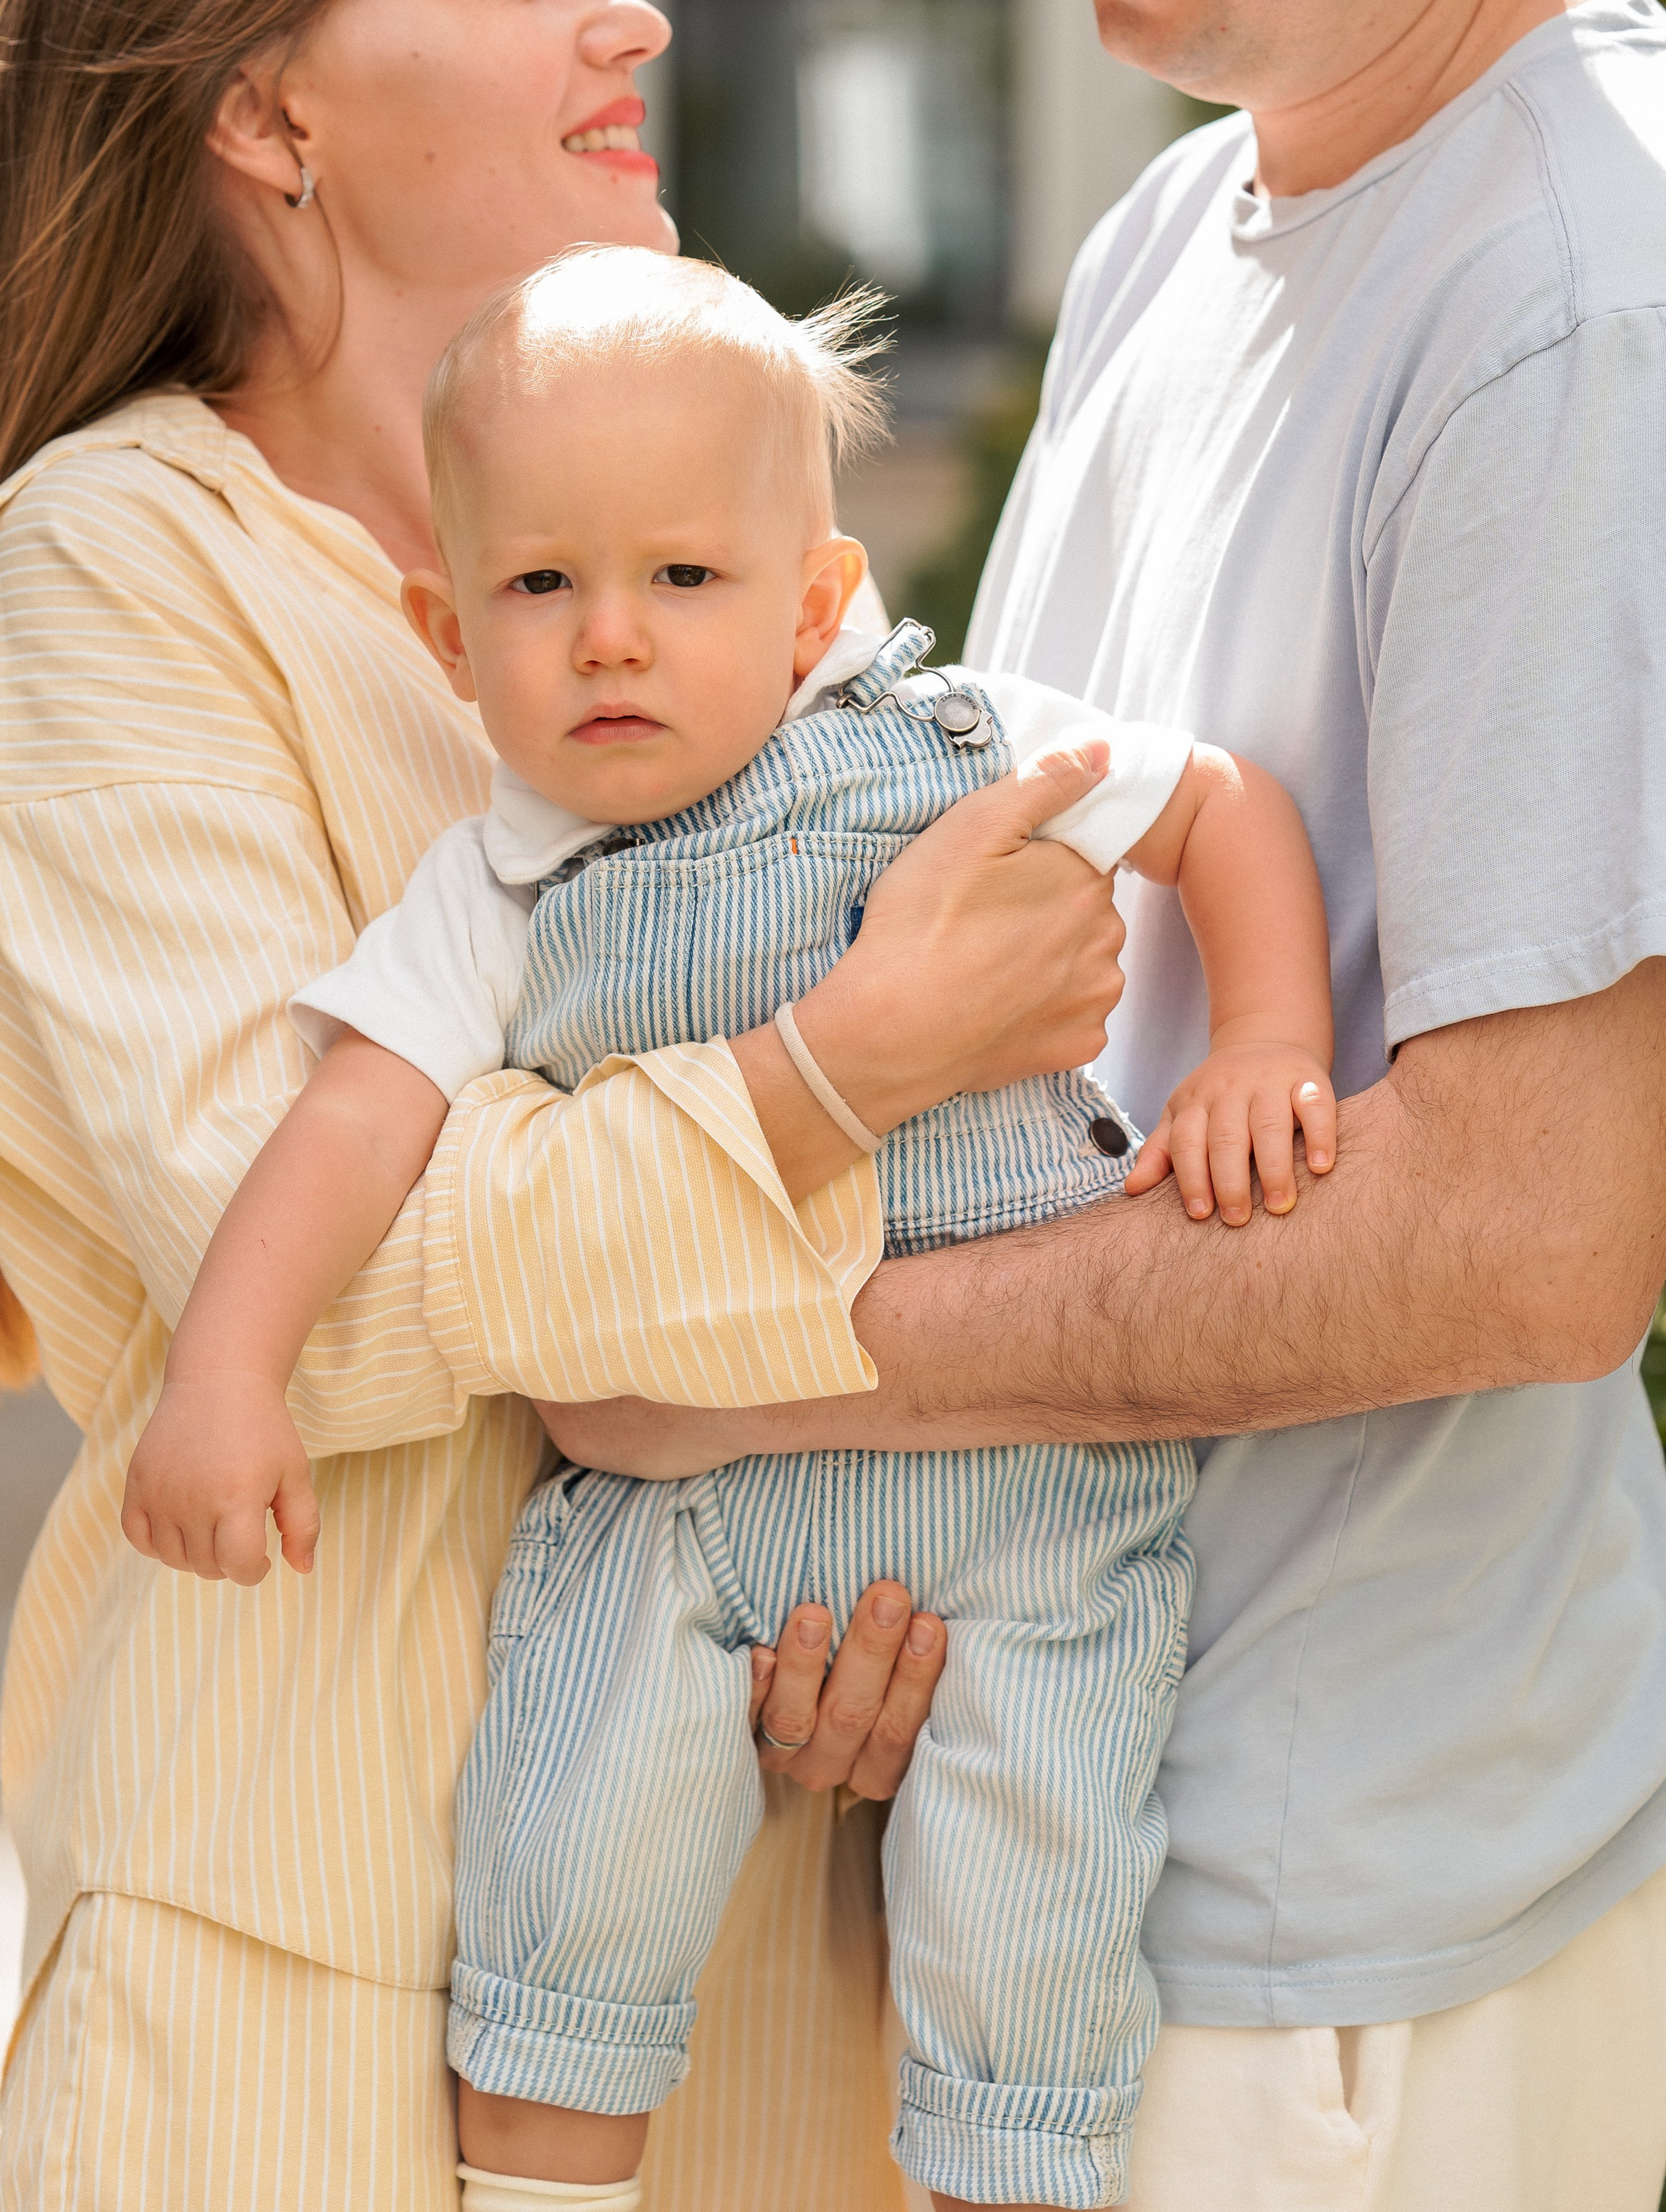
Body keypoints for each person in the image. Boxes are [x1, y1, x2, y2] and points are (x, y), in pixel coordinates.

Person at [0, 0, 1137, 2211]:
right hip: (293, 1984)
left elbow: (832, 1293)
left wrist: (855, 1587)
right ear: (269, 117)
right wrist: (832, 1068)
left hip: (725, 1965)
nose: (622, 8)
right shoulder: (115, 581)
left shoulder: (686, 596)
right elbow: (305, 1271)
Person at [543, 0, 1666, 2207]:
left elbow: (1539, 1232)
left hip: (1342, 1927)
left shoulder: (1581, 303)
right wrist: (863, 1544)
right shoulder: (1182, 236)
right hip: (1064, 1831)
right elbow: (1027, 967)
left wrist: (738, 1366)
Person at [119, 244, 1338, 2211]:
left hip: (1032, 1495)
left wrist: (1265, 1036)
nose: (611, 638)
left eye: (682, 578)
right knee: (564, 1892)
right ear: (449, 632)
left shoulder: (957, 745)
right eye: (541, 585)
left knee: (1033, 1957)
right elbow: (353, 1123)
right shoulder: (502, 876)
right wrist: (226, 1370)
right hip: (680, 1520)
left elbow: (1216, 807)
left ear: (819, 603)